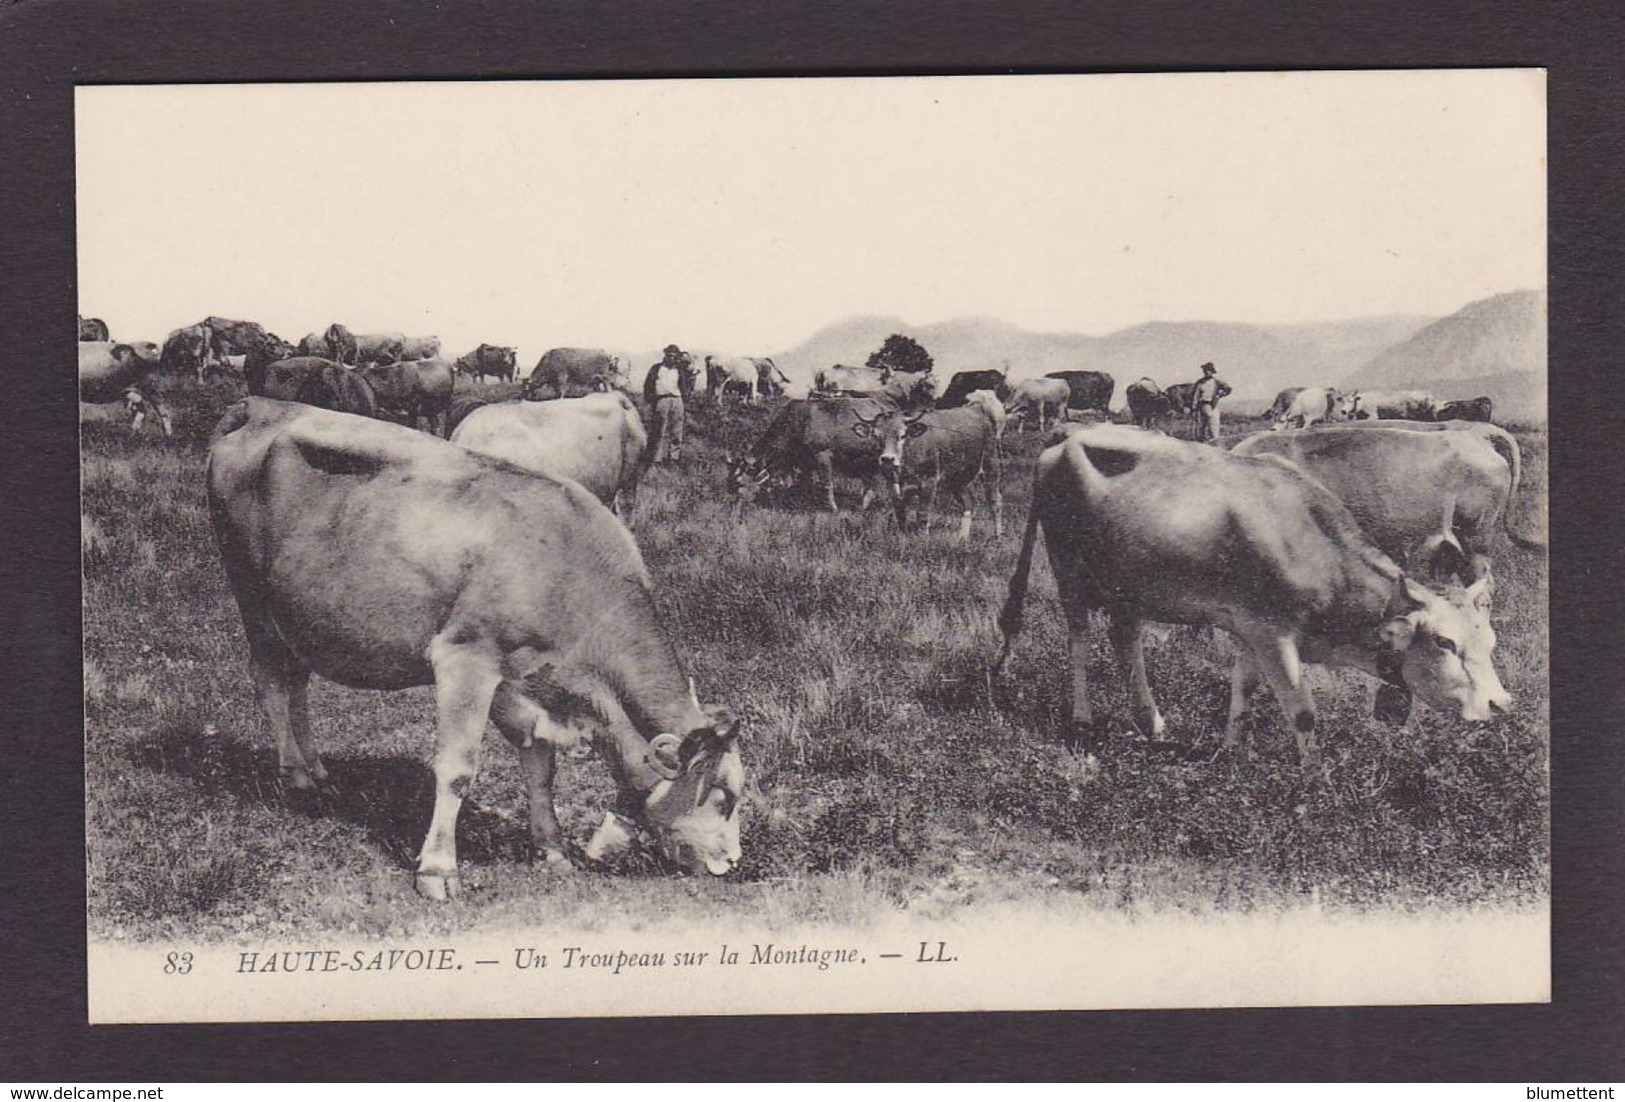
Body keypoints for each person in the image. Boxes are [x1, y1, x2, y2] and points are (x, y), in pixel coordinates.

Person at [645, 344, 691, 463]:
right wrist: (650, 400)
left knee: (676, 430)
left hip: (677, 400)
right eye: (669, 355)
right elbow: (648, 385)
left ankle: (673, 457)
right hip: (662, 400)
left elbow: (686, 383)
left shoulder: (679, 370)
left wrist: (685, 399)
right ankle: (657, 458)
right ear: (665, 355)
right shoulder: (656, 368)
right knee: (659, 429)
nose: (672, 358)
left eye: (674, 356)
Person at [1190, 361, 1232, 443]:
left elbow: (1228, 389)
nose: (1206, 372)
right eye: (1205, 370)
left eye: (1208, 370)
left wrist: (1220, 394)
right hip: (1201, 406)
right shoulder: (1200, 382)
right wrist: (1193, 406)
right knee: (1200, 428)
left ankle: (1214, 444)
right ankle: (1201, 444)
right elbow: (1195, 395)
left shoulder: (1216, 382)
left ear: (1212, 371)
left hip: (1212, 405)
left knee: (1213, 427)